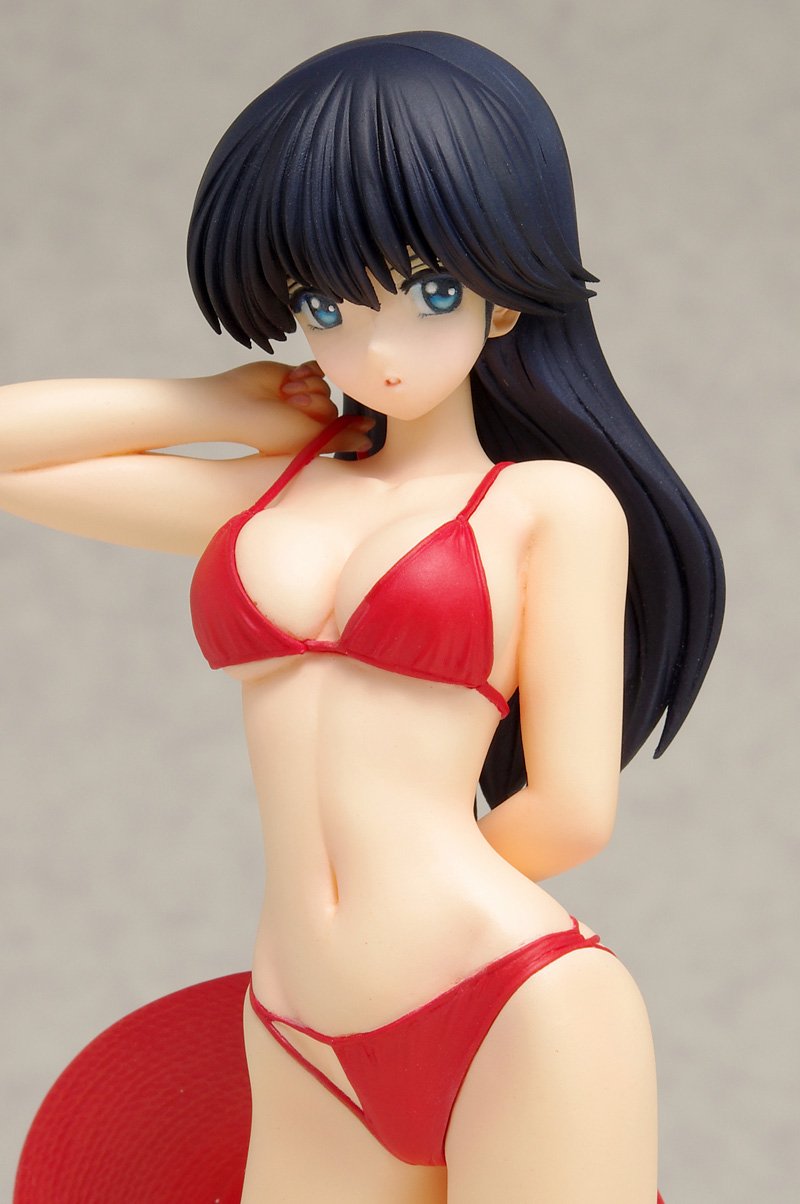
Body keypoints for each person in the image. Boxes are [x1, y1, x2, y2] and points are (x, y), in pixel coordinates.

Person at [2, 32, 722, 1203]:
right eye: (324, 302)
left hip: (503, 993)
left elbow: (570, 808)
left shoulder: (548, 506)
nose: (373, 348)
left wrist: (405, 917)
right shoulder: (272, 497)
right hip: (296, 1024)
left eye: (430, 290)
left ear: (503, 296)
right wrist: (211, 405)